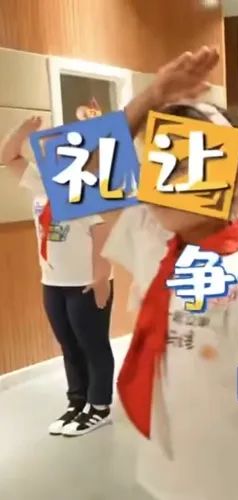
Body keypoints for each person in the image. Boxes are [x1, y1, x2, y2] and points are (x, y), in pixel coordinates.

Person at [95, 47, 238, 500]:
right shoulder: (151, 237)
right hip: (164, 474)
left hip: (235, 481)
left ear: (231, 181)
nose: (165, 183)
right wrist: (150, 98)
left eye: (185, 167)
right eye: (158, 166)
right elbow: (80, 175)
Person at [1, 116, 115, 437]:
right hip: (53, 281)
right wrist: (23, 130)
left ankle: (99, 406)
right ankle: (77, 401)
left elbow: (102, 232)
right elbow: (8, 156)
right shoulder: (39, 182)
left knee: (93, 345)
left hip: (85, 282)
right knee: (69, 344)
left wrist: (101, 278)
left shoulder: (85, 188)